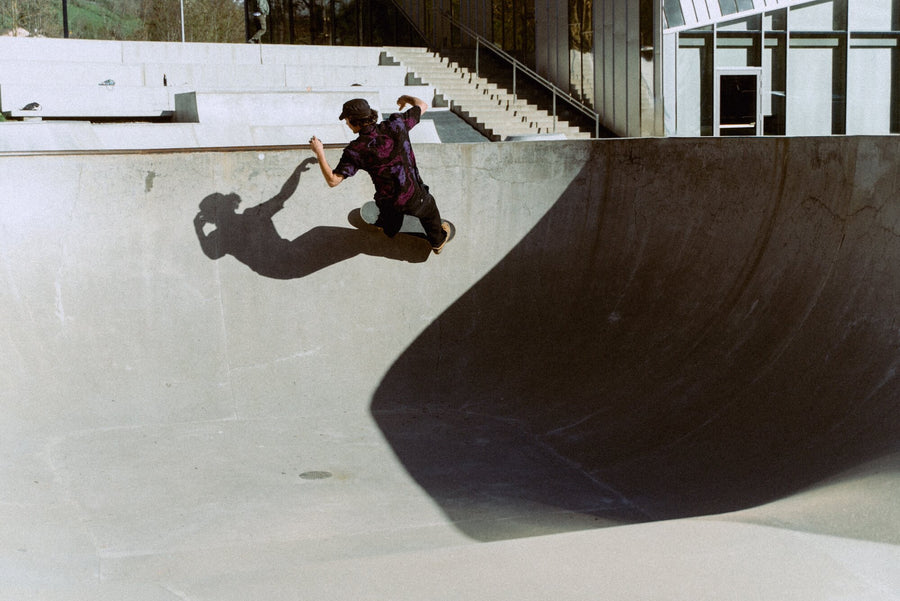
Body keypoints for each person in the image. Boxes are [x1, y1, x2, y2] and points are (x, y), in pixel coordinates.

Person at [309, 96, 451, 255]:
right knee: (429, 209)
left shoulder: (356, 150)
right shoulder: (397, 124)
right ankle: (437, 241)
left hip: (388, 203)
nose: (347, 124)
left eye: (347, 121)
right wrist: (405, 98)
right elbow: (422, 105)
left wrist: (319, 152)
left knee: (389, 220)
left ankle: (389, 228)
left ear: (353, 120)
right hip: (415, 198)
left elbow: (332, 180)